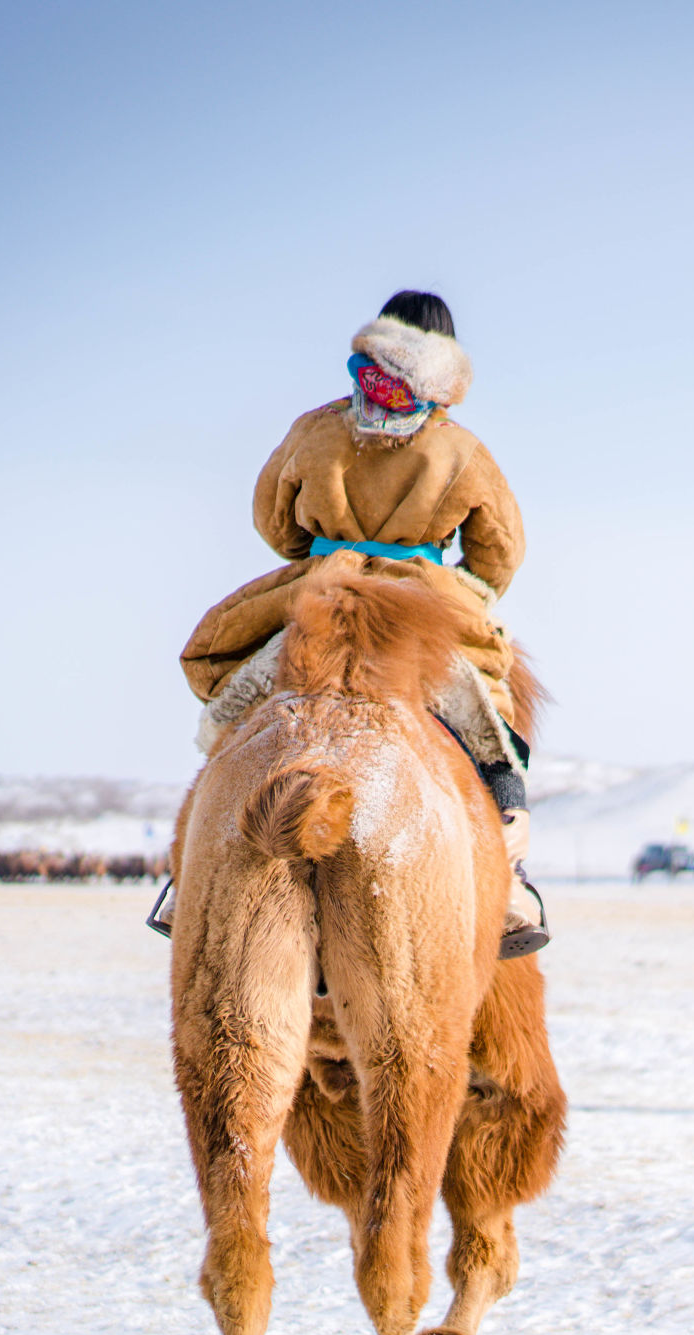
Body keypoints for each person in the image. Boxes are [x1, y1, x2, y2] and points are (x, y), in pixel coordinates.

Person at [156, 290, 548, 957]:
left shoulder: (314, 428)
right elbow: (501, 551)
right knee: (483, 708)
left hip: (321, 589)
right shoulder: (459, 446)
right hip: (418, 599)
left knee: (239, 699)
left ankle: (187, 869)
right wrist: (452, 584)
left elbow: (273, 521)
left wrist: (322, 553)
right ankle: (509, 875)